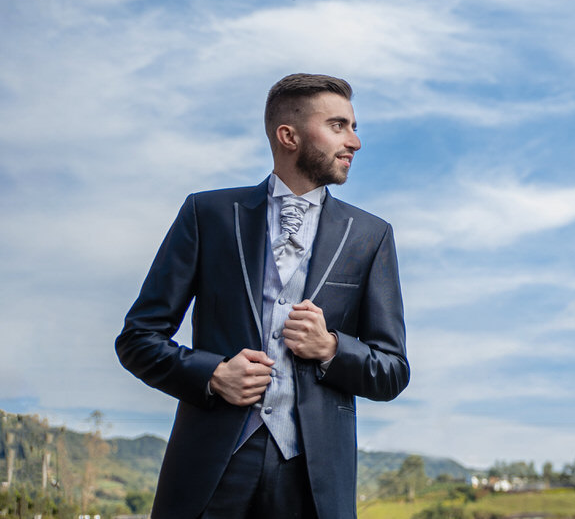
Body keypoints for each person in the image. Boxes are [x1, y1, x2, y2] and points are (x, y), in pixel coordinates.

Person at [116, 73, 409, 518]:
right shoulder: (208, 214)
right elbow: (138, 339)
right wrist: (212, 374)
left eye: (354, 126)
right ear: (287, 135)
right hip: (210, 467)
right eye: (338, 126)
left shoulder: (370, 235)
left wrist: (331, 348)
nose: (355, 142)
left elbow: (392, 371)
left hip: (312, 480)